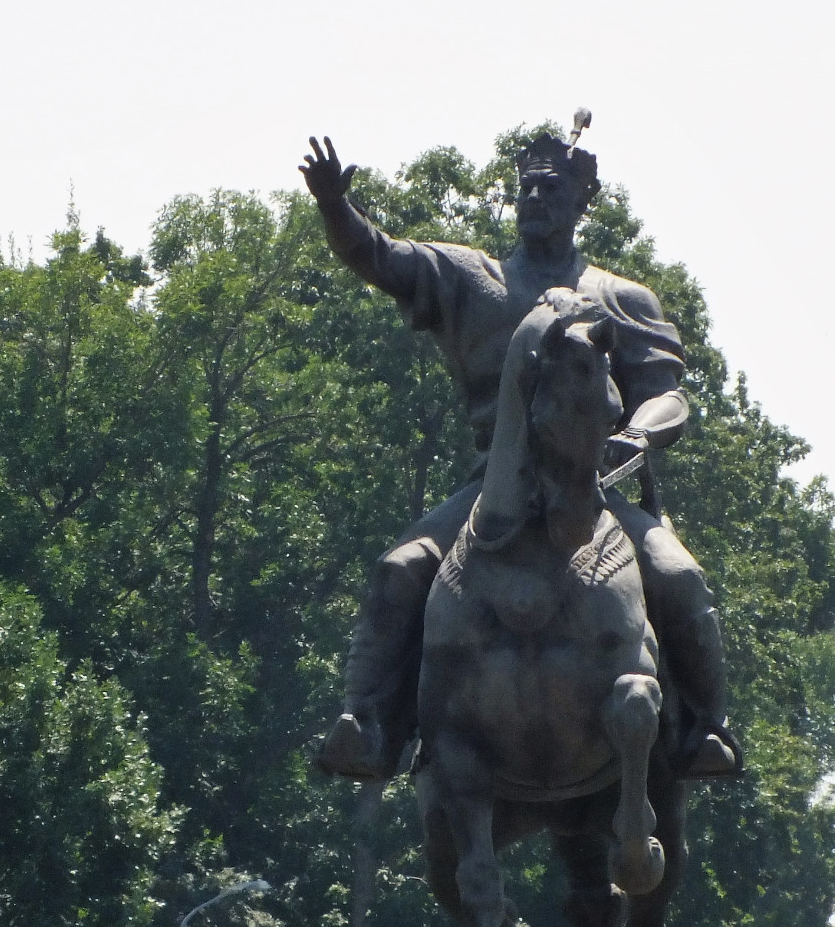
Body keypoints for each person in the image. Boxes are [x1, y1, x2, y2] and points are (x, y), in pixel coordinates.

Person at [300, 129, 740, 783]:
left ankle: (702, 728)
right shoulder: (469, 279)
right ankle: (370, 725)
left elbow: (667, 397)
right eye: (526, 186)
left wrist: (639, 436)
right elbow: (377, 256)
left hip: (596, 492)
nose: (534, 197)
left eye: (550, 187)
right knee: (398, 570)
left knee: (678, 578)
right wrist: (336, 207)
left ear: (580, 201)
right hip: (494, 487)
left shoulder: (622, 298)